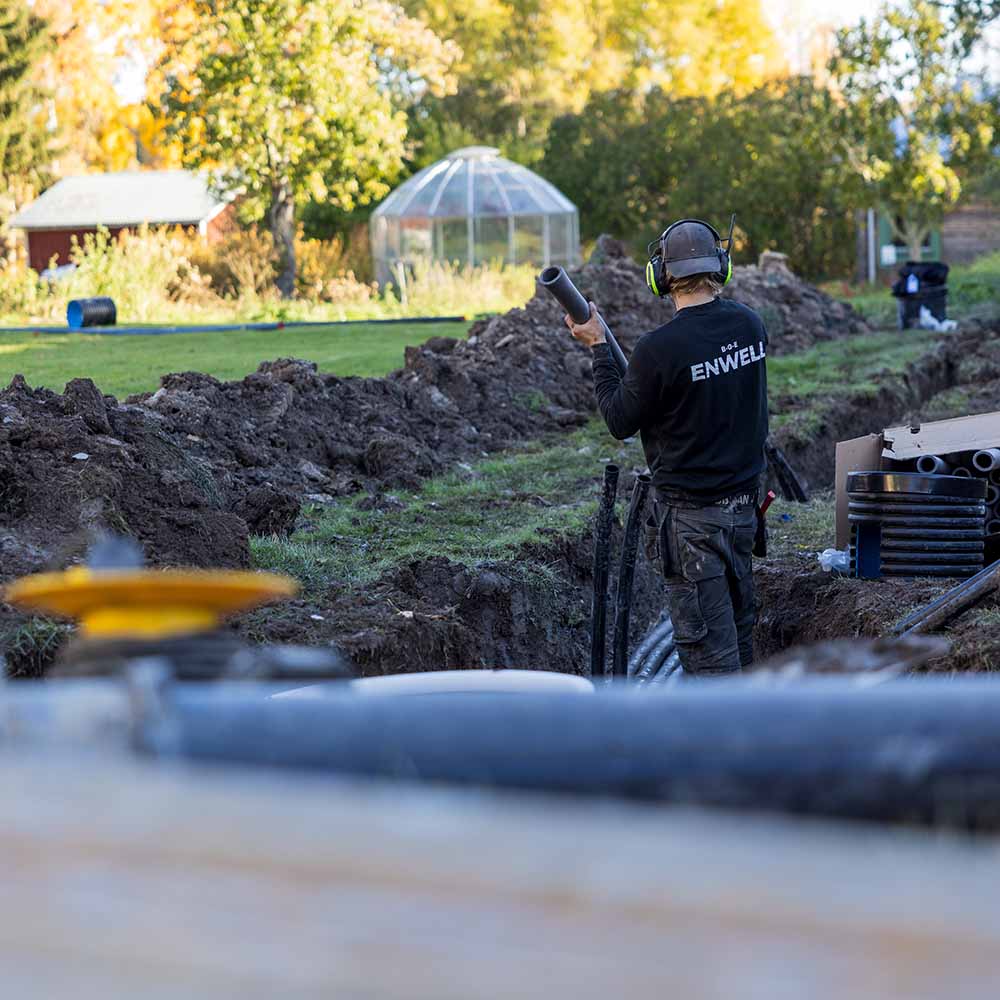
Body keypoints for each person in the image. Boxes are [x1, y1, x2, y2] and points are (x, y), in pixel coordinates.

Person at [564, 219, 768, 677]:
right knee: (739, 635)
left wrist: (598, 346)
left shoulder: (660, 349)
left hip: (693, 524)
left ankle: (726, 747)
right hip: (743, 514)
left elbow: (619, 420)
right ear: (722, 267)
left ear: (660, 276)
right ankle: (755, 732)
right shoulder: (750, 325)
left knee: (711, 663)